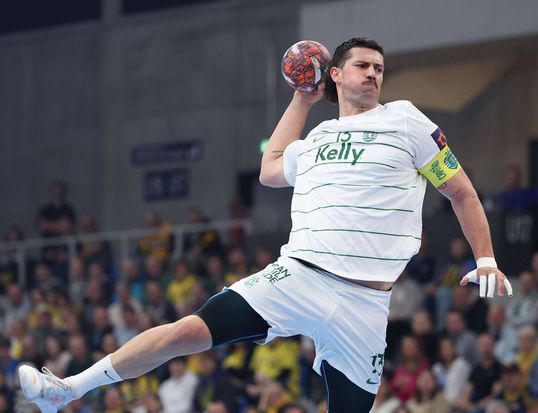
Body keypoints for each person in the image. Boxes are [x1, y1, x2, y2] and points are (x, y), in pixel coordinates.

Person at [18, 37, 512, 413]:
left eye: (379, 68)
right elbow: (270, 168)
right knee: (185, 333)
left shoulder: (406, 122)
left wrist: (486, 258)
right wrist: (302, 99)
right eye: (362, 66)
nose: (372, 75)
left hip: (366, 304)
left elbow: (462, 192)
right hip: (299, 276)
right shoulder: (316, 138)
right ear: (335, 74)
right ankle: (67, 390)